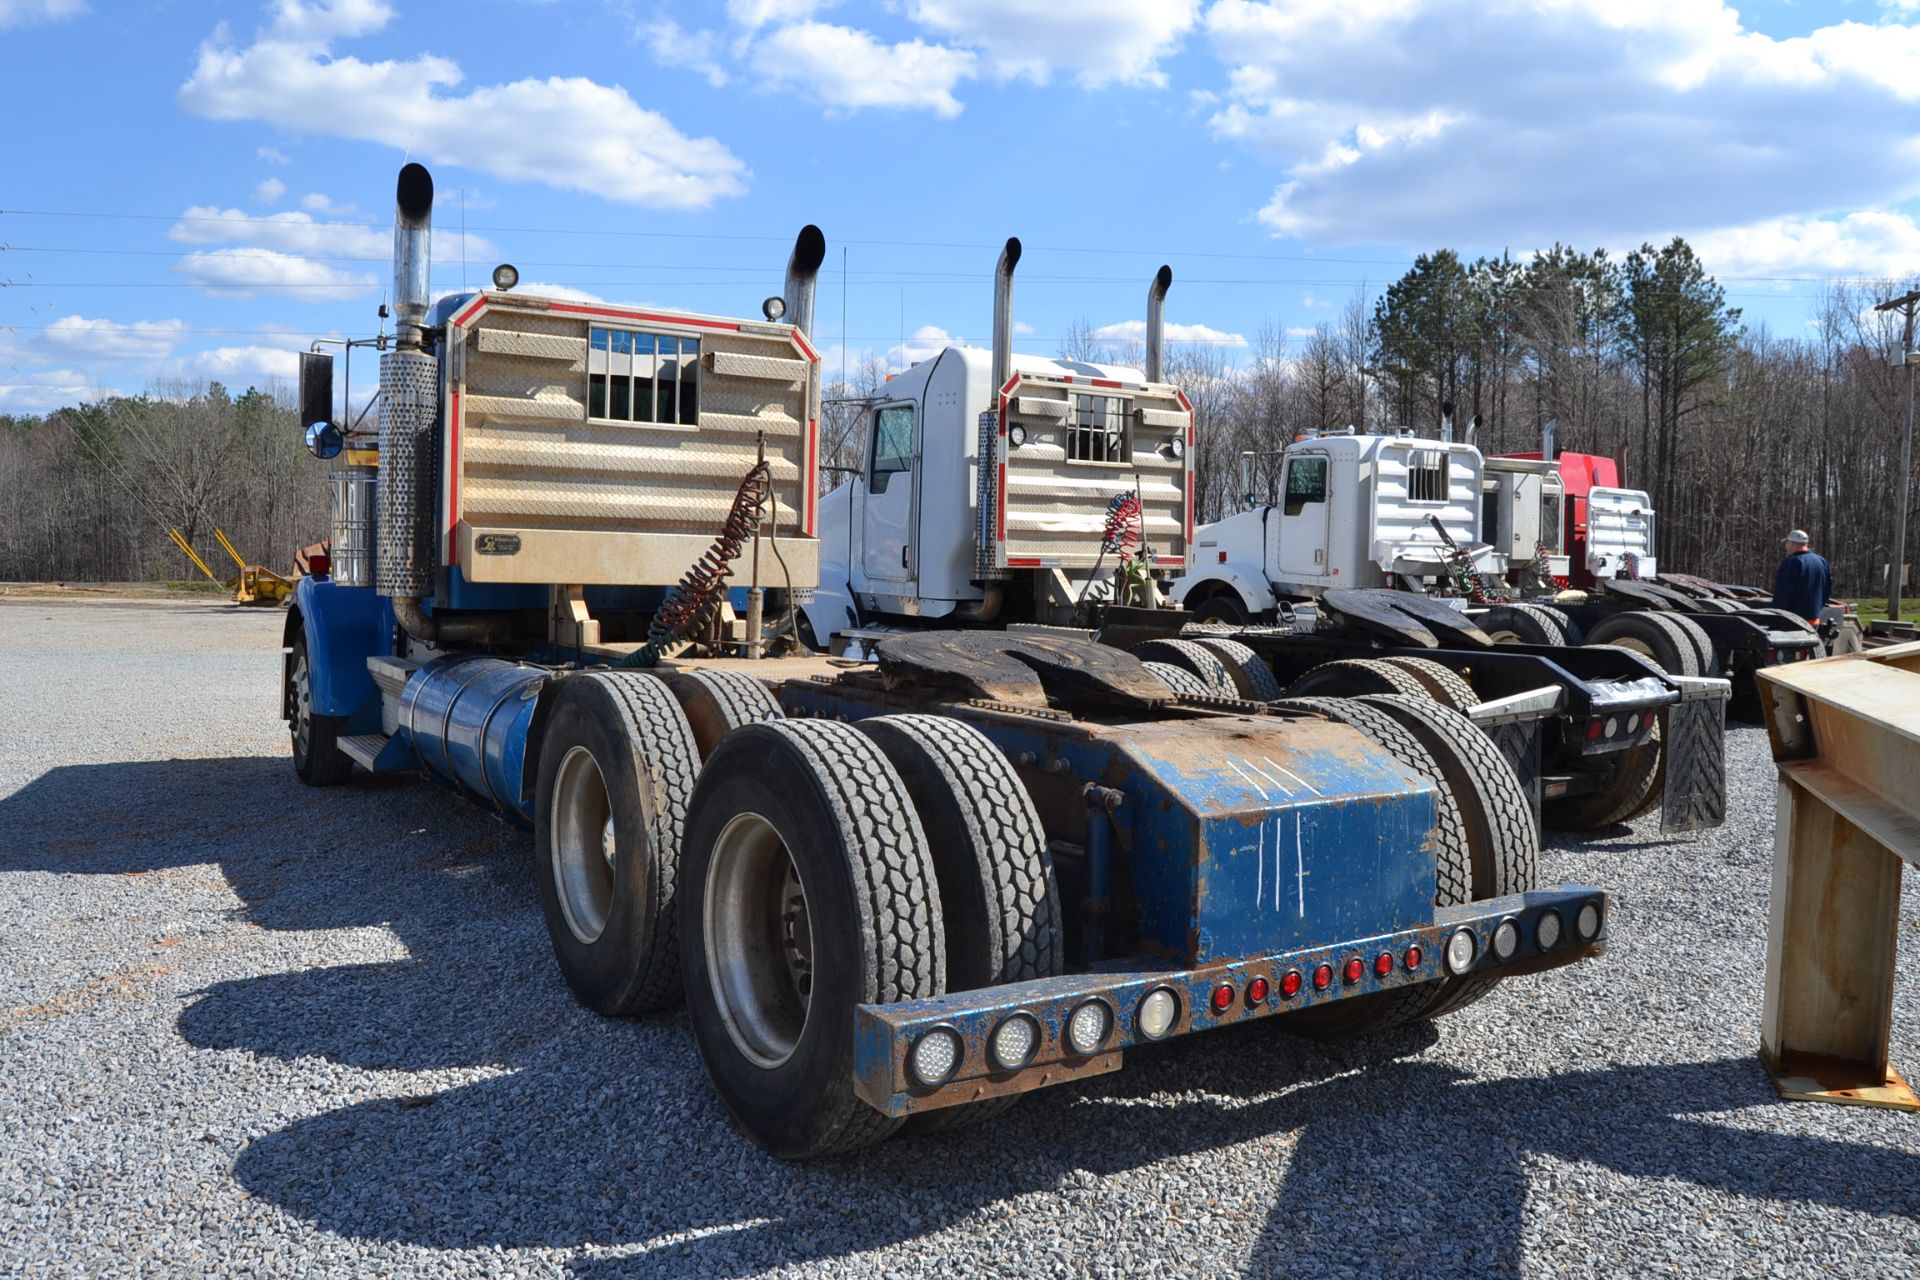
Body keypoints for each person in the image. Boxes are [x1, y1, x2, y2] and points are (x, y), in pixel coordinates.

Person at [1770, 529, 1833, 624]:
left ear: (1792, 544)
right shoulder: (1821, 561)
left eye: (1787, 543)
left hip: (1793, 622)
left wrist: (1775, 618)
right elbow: (1827, 590)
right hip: (1814, 620)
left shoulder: (1791, 562)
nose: (1786, 546)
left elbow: (1782, 594)